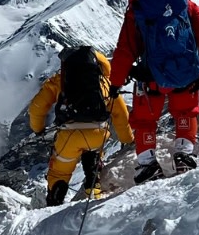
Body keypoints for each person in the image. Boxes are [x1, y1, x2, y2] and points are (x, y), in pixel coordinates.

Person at [109, 0, 199, 183]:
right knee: (186, 112)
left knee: (144, 121)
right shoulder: (186, 5)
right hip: (185, 73)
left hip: (150, 78)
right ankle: (184, 153)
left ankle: (147, 163)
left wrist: (115, 82)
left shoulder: (138, 9)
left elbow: (125, 49)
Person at [27, 45, 134, 206]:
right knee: (93, 153)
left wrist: (38, 129)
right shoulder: (104, 82)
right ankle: (93, 183)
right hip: (98, 133)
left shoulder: (60, 80)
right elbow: (120, 113)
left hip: (69, 135)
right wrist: (127, 138)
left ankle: (54, 201)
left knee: (59, 172)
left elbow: (37, 107)